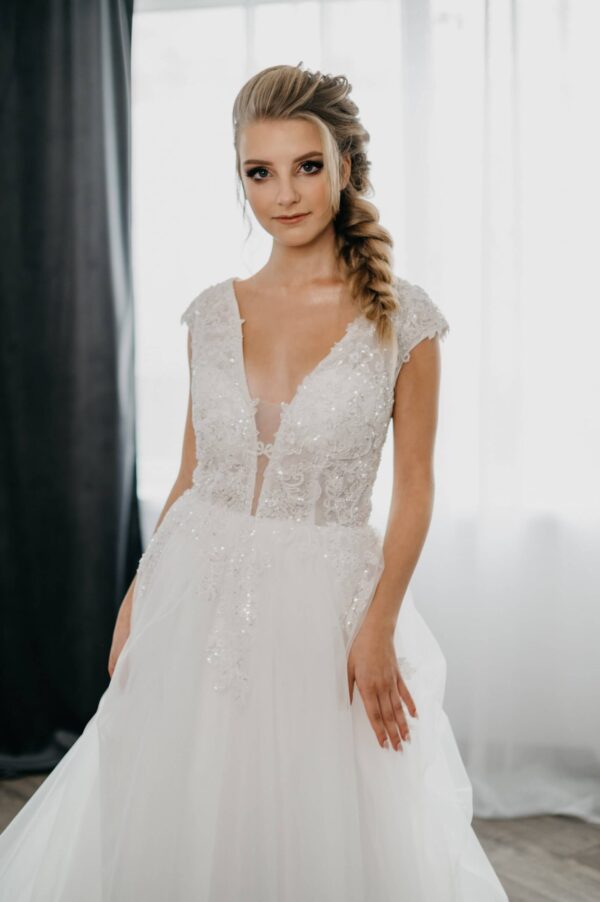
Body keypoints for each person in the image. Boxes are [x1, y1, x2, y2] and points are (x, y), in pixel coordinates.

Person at [0, 62, 509, 901]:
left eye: (306, 166)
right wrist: (139, 595)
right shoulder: (210, 312)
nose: (285, 194)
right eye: (259, 172)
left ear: (345, 165)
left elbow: (416, 487)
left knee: (315, 824)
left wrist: (378, 626)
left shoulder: (403, 318)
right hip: (194, 592)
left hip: (326, 608)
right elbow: (193, 474)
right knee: (179, 810)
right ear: (240, 179)